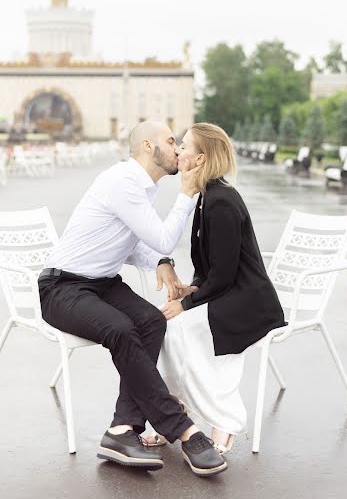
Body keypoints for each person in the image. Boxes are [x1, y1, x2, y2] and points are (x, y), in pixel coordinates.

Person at [38, 121, 227, 476]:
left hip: (102, 284)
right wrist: (186, 194)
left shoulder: (142, 187)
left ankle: (122, 430)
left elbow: (138, 241)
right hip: (61, 289)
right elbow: (162, 237)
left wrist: (162, 262)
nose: (177, 149)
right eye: (171, 142)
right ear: (147, 146)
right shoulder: (122, 181)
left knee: (151, 321)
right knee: (122, 329)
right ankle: (184, 431)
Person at [145, 123, 285, 454]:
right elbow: (207, 269)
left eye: (184, 146)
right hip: (229, 293)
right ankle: (174, 413)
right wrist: (189, 290)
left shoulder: (221, 202)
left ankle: (223, 419)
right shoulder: (207, 196)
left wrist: (187, 305)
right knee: (166, 327)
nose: (177, 150)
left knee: (178, 327)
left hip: (247, 302)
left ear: (201, 157)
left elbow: (223, 275)